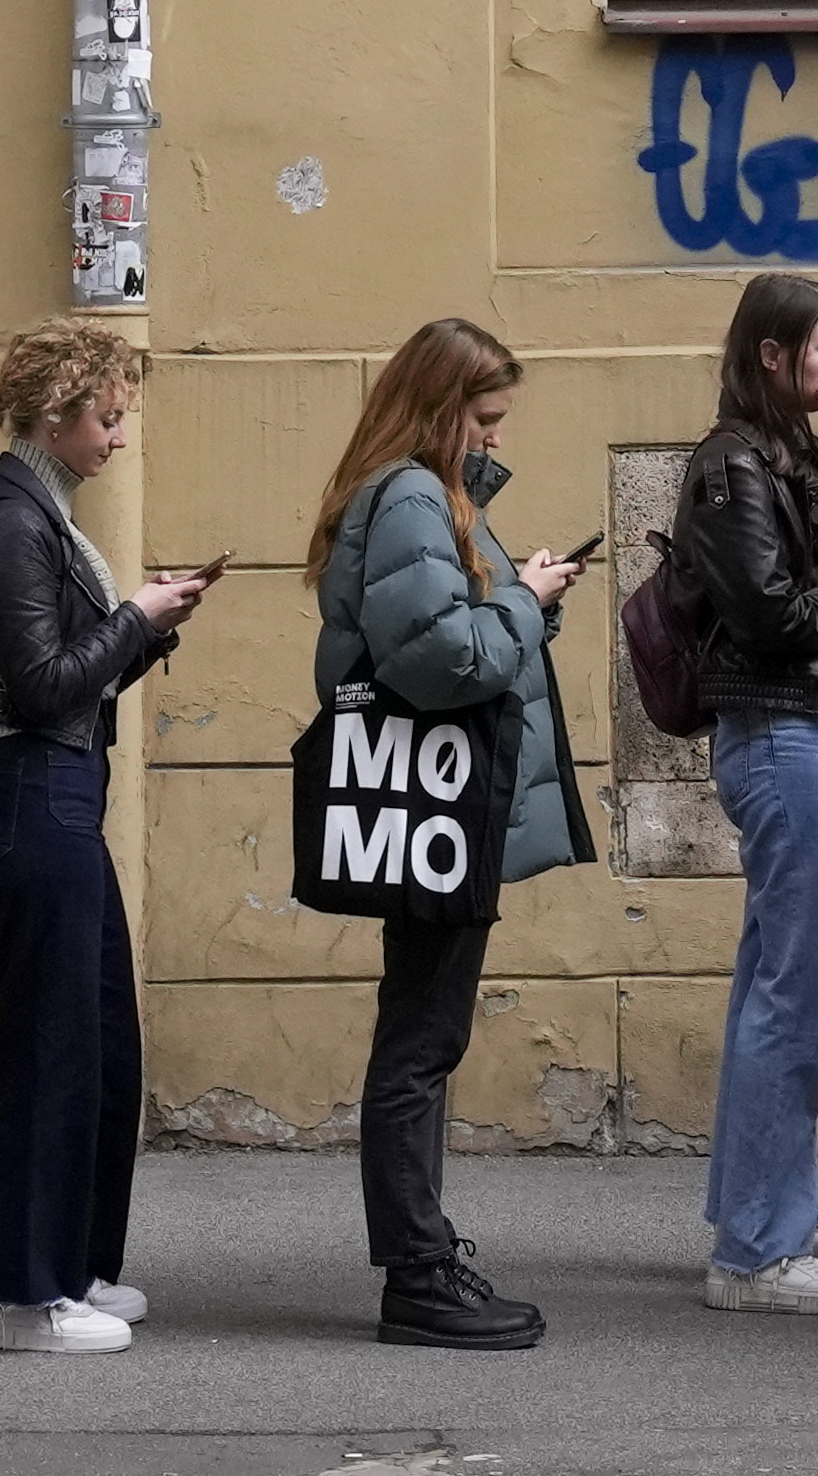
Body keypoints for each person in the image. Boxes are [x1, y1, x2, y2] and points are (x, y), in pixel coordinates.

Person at [312, 315, 587, 1351]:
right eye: (483, 418)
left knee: (423, 1031)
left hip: (433, 801)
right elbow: (443, 662)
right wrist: (526, 597)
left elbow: (454, 633)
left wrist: (523, 600)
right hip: (433, 803)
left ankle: (423, 1262)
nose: (494, 440)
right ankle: (417, 1274)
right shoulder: (415, 497)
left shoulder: (418, 495)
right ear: (439, 410)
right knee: (421, 1040)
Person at [0, 318, 210, 1351]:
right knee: (47, 1052)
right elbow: (46, 684)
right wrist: (136, 618)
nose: (118, 438)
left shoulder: (39, 511)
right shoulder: (8, 524)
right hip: (30, 799)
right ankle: (18, 1296)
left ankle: (75, 1269)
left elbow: (68, 677)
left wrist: (149, 626)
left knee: (97, 1044)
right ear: (54, 416)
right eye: (106, 418)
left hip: (60, 795)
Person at [669, 270, 818, 1318]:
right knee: (797, 986)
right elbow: (765, 610)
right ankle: (754, 1252)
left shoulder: (796, 456)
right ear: (772, 354)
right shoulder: (728, 464)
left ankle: (770, 1211)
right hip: (777, 726)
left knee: (784, 973)